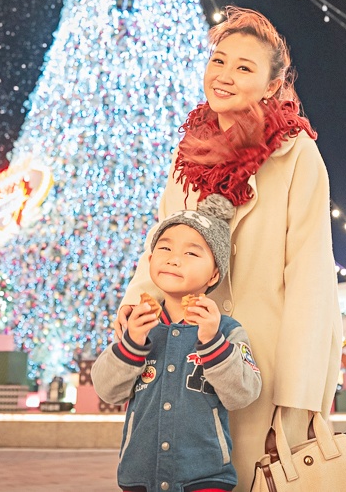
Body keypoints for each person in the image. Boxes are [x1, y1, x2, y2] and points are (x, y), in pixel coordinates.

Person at [112, 6, 342, 490]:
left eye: (244, 67)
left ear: (271, 85)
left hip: (262, 365)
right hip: (187, 359)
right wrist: (138, 302)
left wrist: (297, 396)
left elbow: (311, 279)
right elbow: (160, 244)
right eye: (219, 60)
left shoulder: (296, 155)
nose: (224, 75)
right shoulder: (189, 153)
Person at [92, 195, 262, 492]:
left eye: (192, 253)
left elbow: (243, 394)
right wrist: (132, 343)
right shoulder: (138, 325)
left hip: (205, 479)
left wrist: (212, 342)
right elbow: (107, 390)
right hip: (139, 479)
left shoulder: (227, 330)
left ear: (214, 273)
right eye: (165, 248)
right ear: (150, 260)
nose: (173, 258)